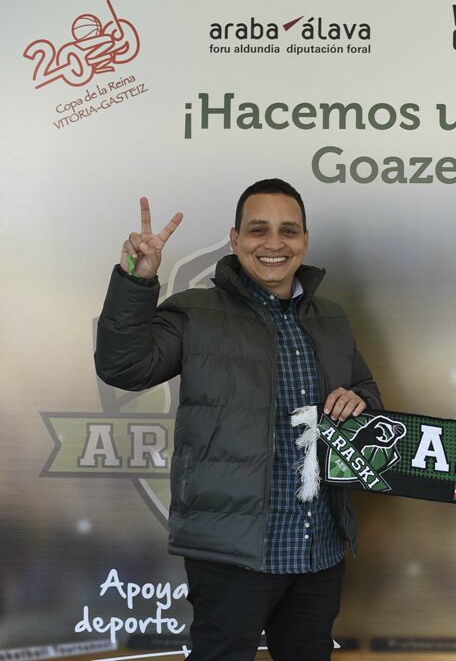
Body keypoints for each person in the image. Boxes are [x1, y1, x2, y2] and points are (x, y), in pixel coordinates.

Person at [95, 178, 382, 660]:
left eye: (288, 230)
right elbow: (123, 368)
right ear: (235, 239)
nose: (274, 243)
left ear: (305, 241)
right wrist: (137, 280)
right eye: (258, 230)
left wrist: (359, 401)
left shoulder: (331, 317)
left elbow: (367, 393)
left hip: (318, 547)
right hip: (231, 553)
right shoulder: (195, 311)